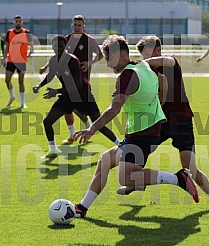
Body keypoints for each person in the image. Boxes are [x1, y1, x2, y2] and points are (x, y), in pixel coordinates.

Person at [73, 35, 199, 218]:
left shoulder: (126, 77)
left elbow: (114, 109)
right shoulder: (144, 66)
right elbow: (162, 83)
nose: (108, 64)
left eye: (109, 58)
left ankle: (179, 178)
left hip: (143, 134)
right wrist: (158, 106)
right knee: (104, 161)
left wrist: (91, 129)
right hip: (142, 132)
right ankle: (82, 208)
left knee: (127, 177)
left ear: (122, 55)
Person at [116, 35, 209, 211]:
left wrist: (143, 63)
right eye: (142, 55)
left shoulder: (171, 61)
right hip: (160, 122)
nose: (145, 58)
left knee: (189, 167)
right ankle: (133, 184)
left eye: (148, 53)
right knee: (136, 159)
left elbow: (166, 61)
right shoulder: (146, 71)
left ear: (157, 50)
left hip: (181, 121)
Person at [32, 35, 120, 158]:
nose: (58, 48)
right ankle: (53, 150)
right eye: (55, 46)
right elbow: (51, 75)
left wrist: (56, 91)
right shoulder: (53, 60)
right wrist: (39, 85)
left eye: (61, 45)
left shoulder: (72, 60)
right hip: (67, 97)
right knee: (48, 121)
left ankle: (120, 145)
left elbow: (77, 85)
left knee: (99, 124)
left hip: (83, 96)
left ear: (66, 46)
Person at [40, 15, 102, 142]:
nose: (77, 27)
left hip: (82, 81)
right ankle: (73, 134)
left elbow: (100, 55)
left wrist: (89, 63)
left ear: (83, 26)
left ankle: (87, 127)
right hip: (67, 79)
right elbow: (57, 55)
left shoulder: (89, 40)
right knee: (67, 108)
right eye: (75, 25)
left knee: (73, 107)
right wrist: (46, 67)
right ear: (71, 25)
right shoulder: (66, 39)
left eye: (80, 25)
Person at [5, 15, 34, 108]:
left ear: (22, 22)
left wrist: (31, 50)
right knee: (7, 80)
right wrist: (3, 57)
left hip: (21, 61)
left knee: (21, 81)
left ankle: (22, 102)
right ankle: (12, 96)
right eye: (16, 21)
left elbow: (31, 43)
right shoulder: (9, 33)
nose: (18, 23)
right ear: (14, 22)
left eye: (19, 21)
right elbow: (7, 46)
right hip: (11, 60)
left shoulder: (26, 32)